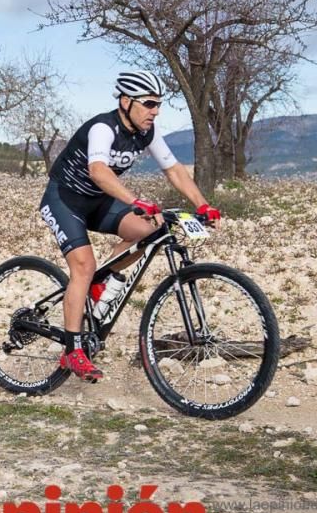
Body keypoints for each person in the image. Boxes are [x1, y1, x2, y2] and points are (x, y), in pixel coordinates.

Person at [39, 70, 221, 382]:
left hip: (98, 202)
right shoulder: (103, 127)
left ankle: (101, 283)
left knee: (151, 228)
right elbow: (98, 171)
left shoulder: (146, 132)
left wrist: (202, 204)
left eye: (159, 104)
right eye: (149, 103)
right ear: (126, 102)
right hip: (64, 199)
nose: (156, 111)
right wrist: (134, 199)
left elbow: (174, 169)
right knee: (84, 265)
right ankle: (72, 351)